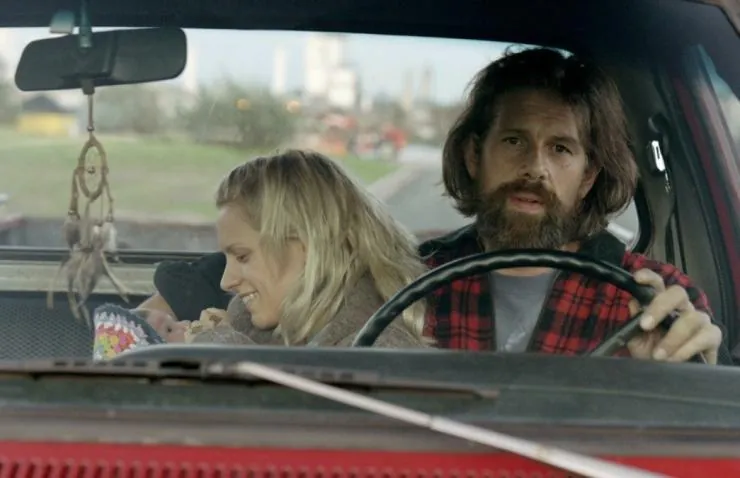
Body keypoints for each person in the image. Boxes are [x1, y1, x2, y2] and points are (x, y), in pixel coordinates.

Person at [140, 47, 730, 364]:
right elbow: (291, 265)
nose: (535, 167)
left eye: (561, 149)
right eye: (514, 141)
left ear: (588, 175)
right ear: (474, 155)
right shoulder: (407, 277)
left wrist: (682, 370)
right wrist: (169, 297)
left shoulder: (651, 299)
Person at [143, 149, 428, 347]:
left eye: (242, 256)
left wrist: (215, 352)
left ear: (308, 248)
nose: (226, 281)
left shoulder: (381, 355)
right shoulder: (254, 326)